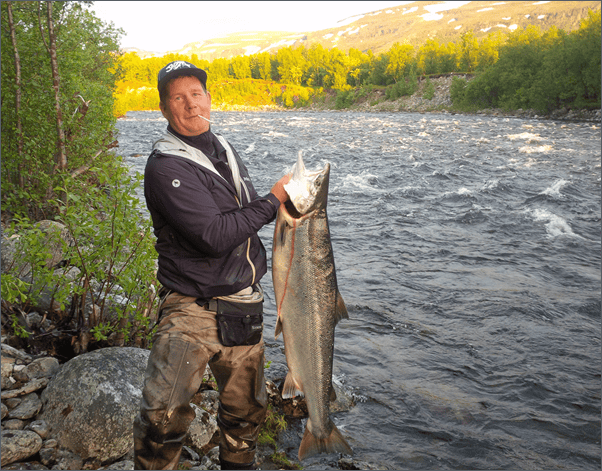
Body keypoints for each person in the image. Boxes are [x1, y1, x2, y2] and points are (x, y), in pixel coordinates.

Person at [133, 61, 290, 470]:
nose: (189, 104)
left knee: (246, 417)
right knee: (161, 421)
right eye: (177, 98)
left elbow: (245, 214)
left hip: (243, 307)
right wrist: (274, 201)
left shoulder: (224, 149)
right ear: (165, 110)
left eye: (195, 94)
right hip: (191, 310)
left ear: (209, 97)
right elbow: (214, 235)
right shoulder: (166, 165)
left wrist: (286, 208)